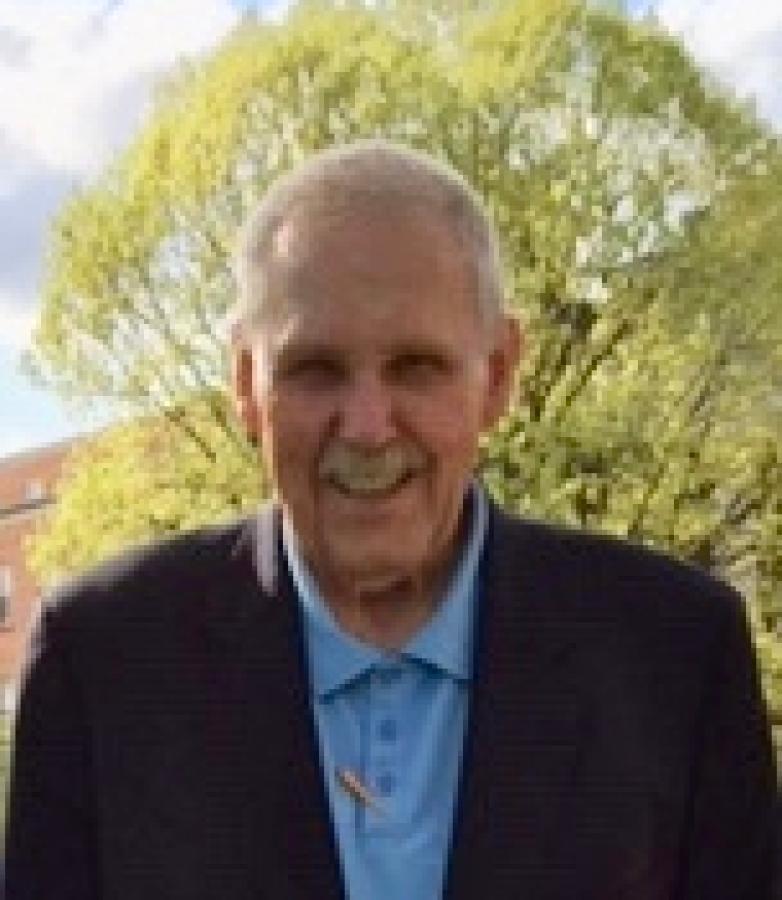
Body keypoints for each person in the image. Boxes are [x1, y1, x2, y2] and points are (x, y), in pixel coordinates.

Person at [4, 140, 778, 900]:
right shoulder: (103, 666)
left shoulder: (675, 655)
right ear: (245, 384)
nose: (368, 427)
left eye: (416, 367)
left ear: (498, 375)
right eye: (315, 370)